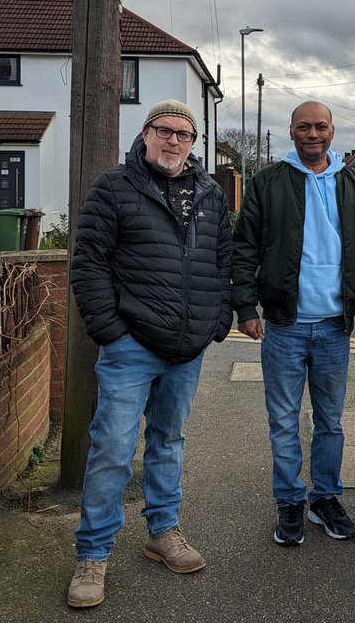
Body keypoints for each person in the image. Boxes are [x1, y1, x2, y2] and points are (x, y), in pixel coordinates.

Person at [67, 100, 233, 609]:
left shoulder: (209, 194)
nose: (174, 141)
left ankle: (163, 530)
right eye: (165, 131)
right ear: (145, 135)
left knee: (169, 440)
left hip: (187, 348)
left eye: (185, 134)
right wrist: (112, 332)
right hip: (131, 346)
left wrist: (216, 321)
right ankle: (92, 555)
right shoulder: (114, 187)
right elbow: (88, 263)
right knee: (113, 449)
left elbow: (223, 259)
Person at [233, 101, 355, 547]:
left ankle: (326, 497)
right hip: (284, 323)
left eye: (320, 126)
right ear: (292, 132)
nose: (312, 134)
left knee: (331, 422)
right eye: (303, 127)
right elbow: (245, 248)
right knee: (283, 419)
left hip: (336, 324)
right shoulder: (267, 182)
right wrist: (245, 309)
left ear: (333, 132)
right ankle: (289, 501)